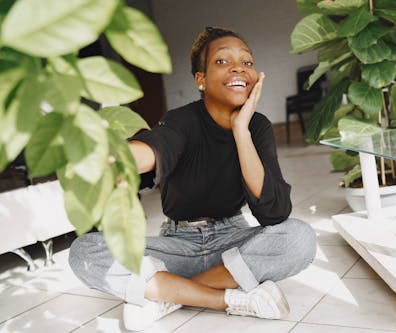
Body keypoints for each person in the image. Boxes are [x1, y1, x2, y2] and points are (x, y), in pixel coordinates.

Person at [68, 27, 317, 331]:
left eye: (247, 62)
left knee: (299, 238)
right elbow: (157, 146)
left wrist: (242, 131)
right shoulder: (181, 120)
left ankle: (167, 295)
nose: (239, 67)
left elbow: (273, 211)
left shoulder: (259, 127)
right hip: (179, 246)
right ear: (201, 79)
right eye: (222, 62)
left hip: (233, 241)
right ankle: (226, 299)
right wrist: (117, 156)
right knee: (84, 252)